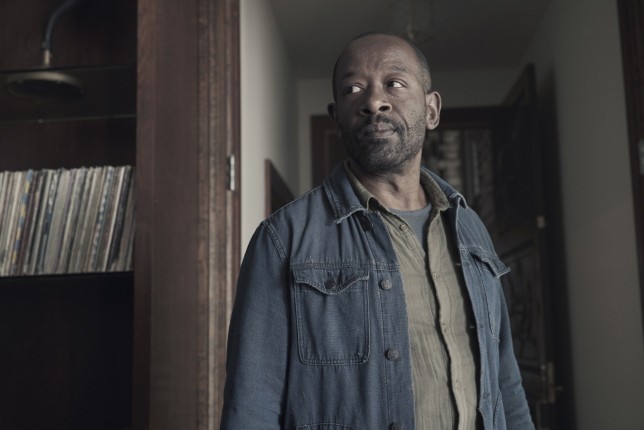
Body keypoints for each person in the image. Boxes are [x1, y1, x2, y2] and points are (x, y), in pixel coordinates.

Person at [220, 32, 534, 430]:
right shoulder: (283, 239)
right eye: (353, 89)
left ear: (431, 109)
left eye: (395, 83)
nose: (373, 102)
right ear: (337, 118)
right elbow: (251, 405)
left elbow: (505, 380)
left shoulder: (470, 229)